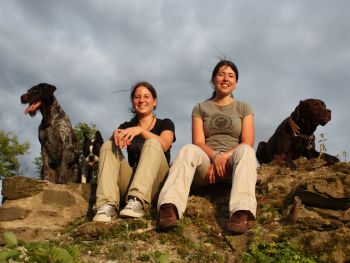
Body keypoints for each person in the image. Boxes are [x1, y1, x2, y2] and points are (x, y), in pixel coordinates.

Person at [157, 60, 257, 234]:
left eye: (231, 76)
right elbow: (199, 142)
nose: (226, 79)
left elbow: (247, 141)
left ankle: (241, 212)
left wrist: (224, 157)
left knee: (247, 151)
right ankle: (168, 208)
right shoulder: (200, 107)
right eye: (221, 74)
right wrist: (215, 157)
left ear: (236, 83)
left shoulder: (243, 107)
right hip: (208, 162)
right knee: (188, 149)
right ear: (213, 80)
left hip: (233, 164)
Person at [93, 81, 175, 222]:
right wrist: (115, 136)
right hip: (131, 183)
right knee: (107, 145)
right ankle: (107, 205)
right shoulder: (126, 126)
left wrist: (141, 131)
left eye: (146, 96)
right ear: (133, 102)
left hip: (157, 185)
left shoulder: (165, 123)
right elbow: (111, 152)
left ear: (154, 102)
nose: (141, 100)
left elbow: (165, 144)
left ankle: (139, 201)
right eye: (137, 97)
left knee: (152, 143)